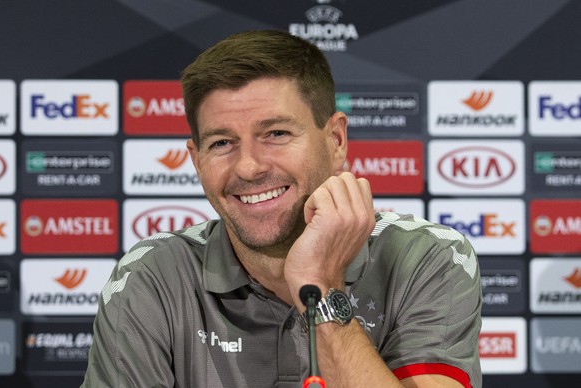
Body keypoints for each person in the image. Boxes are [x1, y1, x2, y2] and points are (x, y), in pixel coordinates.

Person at [82, 30, 482, 388]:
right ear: (197, 158)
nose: (249, 166)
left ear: (336, 140)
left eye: (276, 133)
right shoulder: (155, 274)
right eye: (222, 143)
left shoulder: (427, 258)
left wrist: (320, 288)